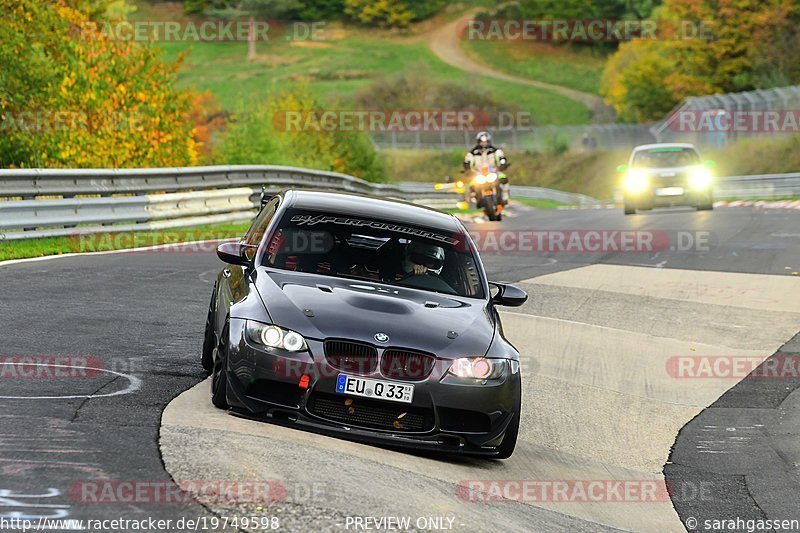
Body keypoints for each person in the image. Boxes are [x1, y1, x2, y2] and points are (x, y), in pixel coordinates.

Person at [463, 131, 510, 205]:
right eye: (482, 142)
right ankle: (472, 198)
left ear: (489, 142)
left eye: (485, 142)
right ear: (478, 142)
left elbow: (501, 157)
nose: (484, 144)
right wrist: (468, 169)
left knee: (504, 178)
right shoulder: (472, 153)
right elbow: (467, 161)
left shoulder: (495, 151)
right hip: (478, 173)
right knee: (470, 183)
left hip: (493, 172)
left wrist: (503, 164)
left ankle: (505, 197)